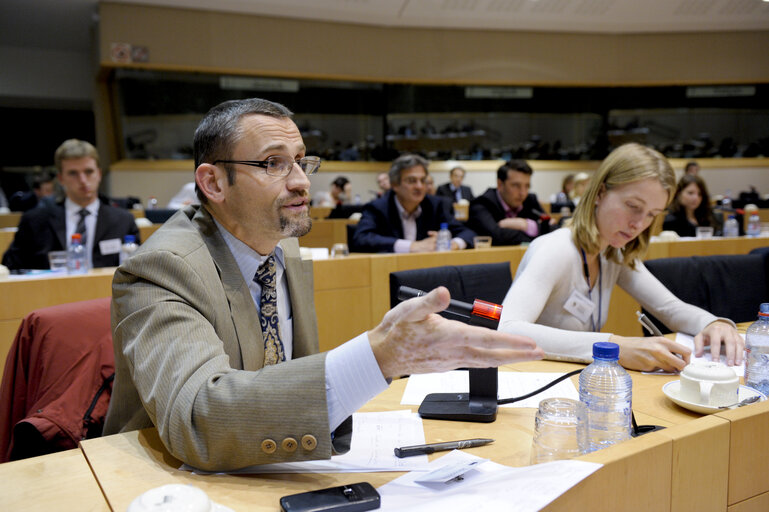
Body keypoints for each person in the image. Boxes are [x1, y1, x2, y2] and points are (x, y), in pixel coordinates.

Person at [103, 98, 543, 471]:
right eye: (273, 163)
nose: (301, 181)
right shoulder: (162, 268)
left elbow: (287, 371)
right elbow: (198, 417)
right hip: (165, 479)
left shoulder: (283, 247)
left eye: (301, 161)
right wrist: (378, 357)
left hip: (268, 465)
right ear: (213, 182)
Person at [498, 143, 743, 372]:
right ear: (600, 193)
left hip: (574, 382)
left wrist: (714, 323)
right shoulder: (556, 248)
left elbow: (669, 308)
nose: (639, 224)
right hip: (531, 385)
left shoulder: (613, 252)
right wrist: (614, 347)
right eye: (633, 206)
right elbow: (506, 329)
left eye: (651, 214)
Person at [2, 139, 139, 270]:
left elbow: (139, 271)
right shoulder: (35, 221)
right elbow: (11, 269)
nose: (83, 180)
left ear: (99, 174)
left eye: (88, 172)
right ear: (61, 178)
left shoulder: (123, 221)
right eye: (73, 173)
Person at [351, 154, 476, 253]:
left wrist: (453, 244)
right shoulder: (378, 207)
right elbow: (361, 238)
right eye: (412, 181)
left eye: (423, 180)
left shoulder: (435, 205)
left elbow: (468, 233)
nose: (419, 186)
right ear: (395, 184)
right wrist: (411, 246)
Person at [467, 160, 546, 246]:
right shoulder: (482, 203)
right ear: (500, 184)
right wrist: (538, 233)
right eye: (516, 185)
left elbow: (554, 230)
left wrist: (526, 225)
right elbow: (496, 237)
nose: (523, 193)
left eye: (527, 186)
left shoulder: (530, 200)